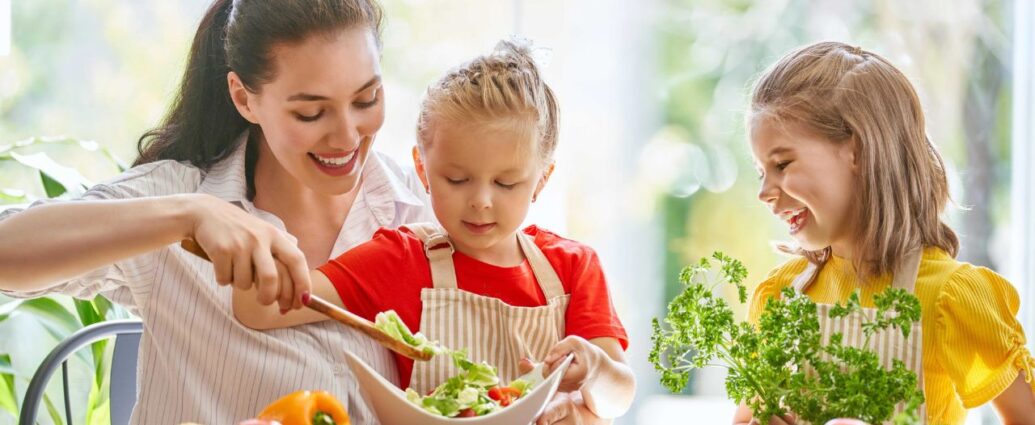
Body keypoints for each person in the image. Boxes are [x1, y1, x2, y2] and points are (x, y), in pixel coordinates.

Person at [0, 0, 432, 423]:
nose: (346, 135)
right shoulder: (180, 198)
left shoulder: (422, 211)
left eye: (366, 99)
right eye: (310, 112)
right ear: (244, 99)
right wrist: (188, 215)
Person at [233, 39, 636, 424]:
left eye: (506, 184)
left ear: (541, 180)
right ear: (423, 169)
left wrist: (593, 371)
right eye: (457, 180)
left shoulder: (573, 267)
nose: (481, 200)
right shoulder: (400, 258)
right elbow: (260, 309)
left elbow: (618, 395)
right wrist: (248, 241)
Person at [732, 41, 1035, 424]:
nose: (764, 192)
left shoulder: (948, 298)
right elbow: (746, 417)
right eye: (761, 172)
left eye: (782, 163)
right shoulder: (780, 295)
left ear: (857, 151)